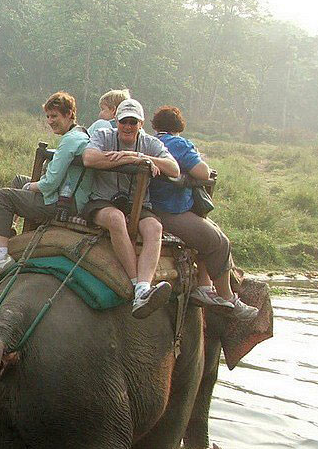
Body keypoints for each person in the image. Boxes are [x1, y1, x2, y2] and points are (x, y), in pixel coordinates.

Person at [149, 106, 258, 320]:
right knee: (219, 241)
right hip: (170, 211)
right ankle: (227, 297)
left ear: (155, 125)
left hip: (150, 207)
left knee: (210, 231)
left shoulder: (150, 142)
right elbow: (202, 172)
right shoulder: (178, 143)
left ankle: (204, 285)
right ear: (179, 126)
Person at [81, 98, 180, 318]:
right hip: (103, 201)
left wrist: (139, 157)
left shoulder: (149, 143)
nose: (128, 126)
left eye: (133, 122)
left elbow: (174, 169)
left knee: (154, 228)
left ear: (141, 124)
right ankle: (137, 286)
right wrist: (123, 159)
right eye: (124, 121)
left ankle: (144, 286)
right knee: (115, 219)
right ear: (116, 121)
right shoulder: (104, 135)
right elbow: (89, 158)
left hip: (138, 204)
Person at [0, 91, 92, 284]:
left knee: (4, 196)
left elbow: (50, 183)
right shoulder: (79, 133)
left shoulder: (70, 141)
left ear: (69, 114)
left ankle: (0, 258)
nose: (50, 121)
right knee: (18, 180)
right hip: (66, 192)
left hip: (63, 202)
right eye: (48, 116)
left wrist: (31, 186)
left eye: (55, 116)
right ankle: (7, 229)